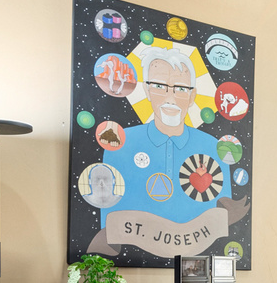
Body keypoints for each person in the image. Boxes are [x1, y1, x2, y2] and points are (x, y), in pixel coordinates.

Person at [90, 45, 246, 251]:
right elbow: (110, 233)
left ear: (192, 97)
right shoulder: (120, 143)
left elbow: (222, 220)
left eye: (181, 89)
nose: (170, 97)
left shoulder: (213, 148)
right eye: (159, 86)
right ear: (146, 90)